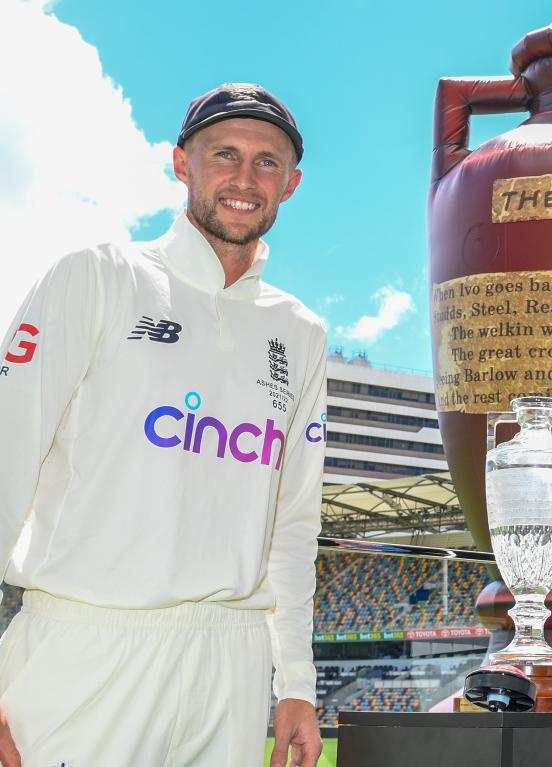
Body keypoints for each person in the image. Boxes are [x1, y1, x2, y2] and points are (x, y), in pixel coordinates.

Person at [0, 83, 326, 767]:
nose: (244, 178)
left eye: (267, 162)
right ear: (182, 164)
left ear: (292, 185)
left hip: (230, 666)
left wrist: (296, 680)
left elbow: (292, 523)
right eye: (224, 155)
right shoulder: (96, 275)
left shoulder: (299, 331)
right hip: (88, 644)